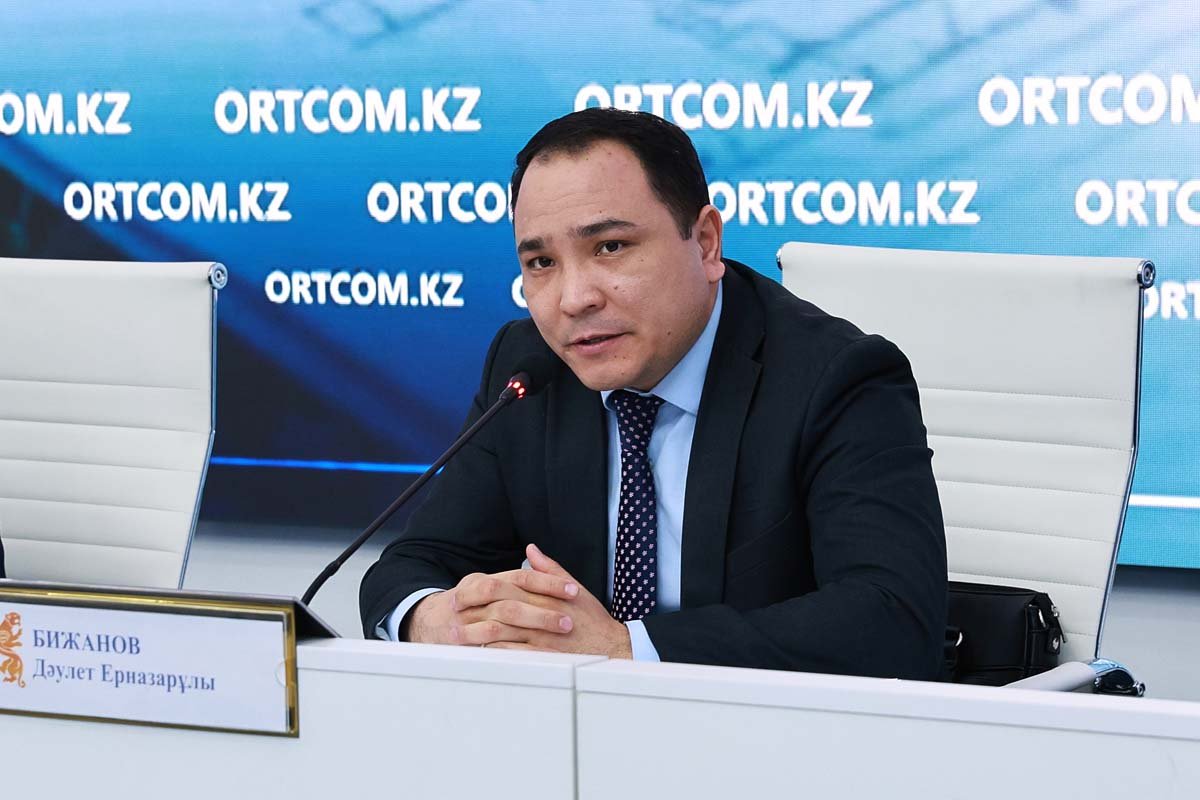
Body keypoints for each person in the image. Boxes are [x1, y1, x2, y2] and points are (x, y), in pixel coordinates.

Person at [359, 108, 947, 678]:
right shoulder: (530, 368)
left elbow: (893, 620)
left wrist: (626, 651)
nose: (574, 299)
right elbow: (414, 565)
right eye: (540, 262)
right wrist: (433, 620)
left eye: (610, 247)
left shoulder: (835, 378)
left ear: (706, 243)